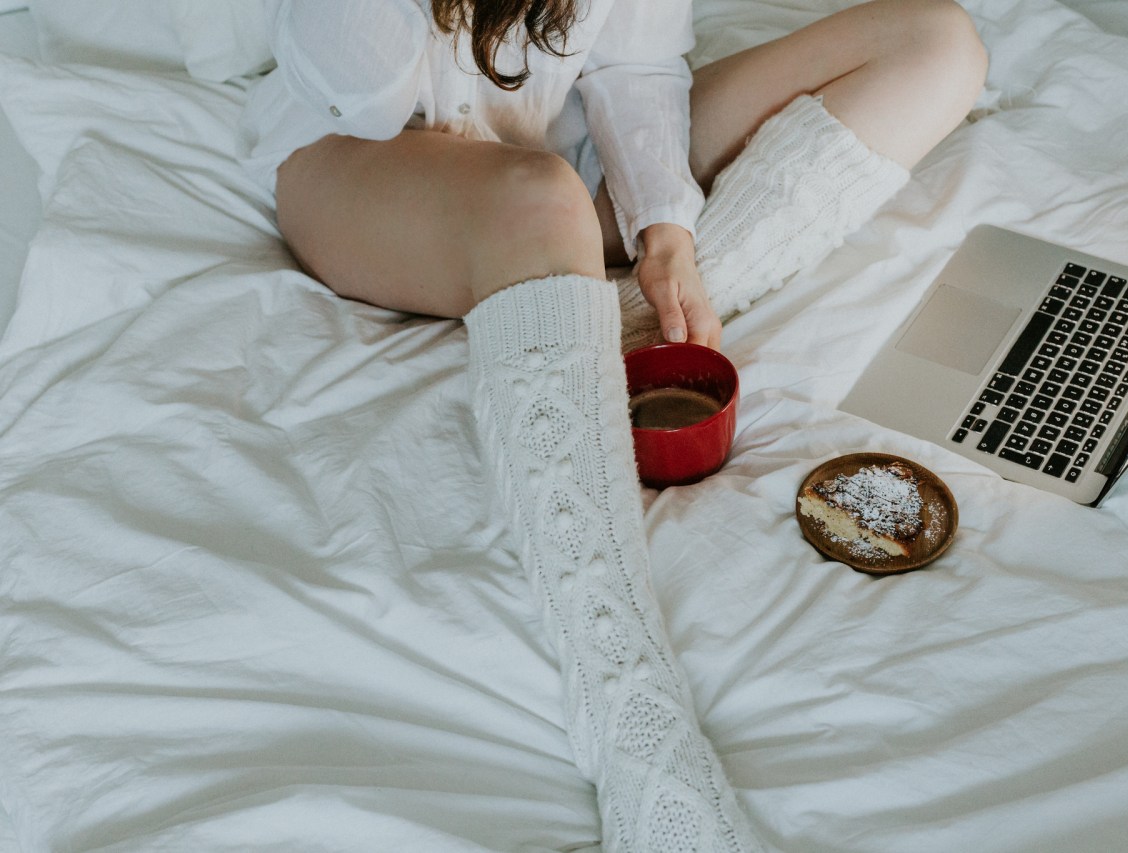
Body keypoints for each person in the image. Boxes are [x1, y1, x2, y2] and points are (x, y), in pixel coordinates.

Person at [237, 0, 987, 849]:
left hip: (559, 146)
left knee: (932, 44)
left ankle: (586, 322)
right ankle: (633, 722)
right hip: (362, 157)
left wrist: (664, 233)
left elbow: (633, 66)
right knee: (539, 196)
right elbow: (359, 95)